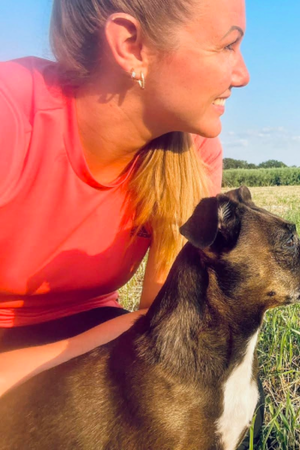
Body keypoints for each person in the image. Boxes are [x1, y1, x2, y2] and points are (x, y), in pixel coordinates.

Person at [0, 0, 250, 404]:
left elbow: (161, 327)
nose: (242, 75)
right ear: (131, 45)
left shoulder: (197, 151)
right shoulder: (11, 113)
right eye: (227, 46)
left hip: (93, 331)